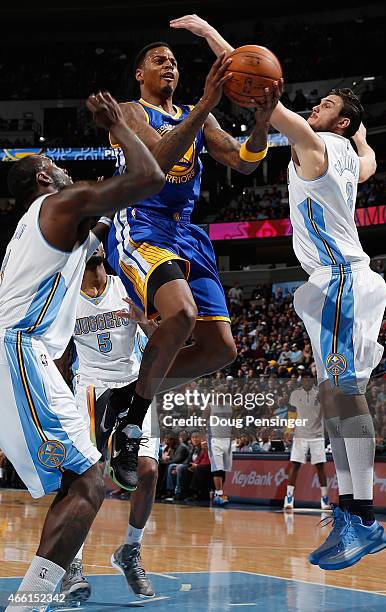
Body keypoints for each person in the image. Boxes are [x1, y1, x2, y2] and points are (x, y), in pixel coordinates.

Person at [173, 14, 386, 571]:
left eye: (325, 108)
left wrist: (212, 39)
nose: (314, 108)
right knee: (335, 403)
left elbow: (259, 90)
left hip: (340, 280)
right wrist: (363, 140)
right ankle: (352, 515)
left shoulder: (316, 146)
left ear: (337, 126)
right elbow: (368, 163)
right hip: (343, 285)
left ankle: (364, 520)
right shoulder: (347, 155)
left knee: (342, 400)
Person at [0, 92, 164, 611]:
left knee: (84, 483)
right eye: (54, 164)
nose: (64, 169)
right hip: (20, 353)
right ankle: (28, 604)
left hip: (27, 358)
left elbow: (142, 190)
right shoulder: (57, 206)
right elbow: (148, 177)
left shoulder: (55, 223)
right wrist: (118, 126)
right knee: (89, 483)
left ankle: (33, 599)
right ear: (43, 179)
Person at [106, 44, 281, 488]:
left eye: (175, 61)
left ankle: (129, 394)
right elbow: (157, 164)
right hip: (141, 223)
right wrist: (205, 106)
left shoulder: (197, 115)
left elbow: (243, 162)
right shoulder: (129, 111)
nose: (170, 65)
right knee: (181, 314)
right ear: (139, 74)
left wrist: (261, 126)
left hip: (187, 231)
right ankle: (130, 429)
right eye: (159, 60)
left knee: (222, 349)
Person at [56, 245, 159, 601]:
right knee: (87, 479)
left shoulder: (127, 286)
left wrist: (147, 322)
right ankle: (73, 565)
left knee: (147, 471)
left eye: (97, 237)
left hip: (133, 384)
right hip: (89, 388)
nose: (95, 243)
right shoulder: (66, 296)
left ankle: (130, 550)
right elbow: (58, 356)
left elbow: (157, 335)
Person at [283, 374, 331, 511]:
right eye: (303, 380)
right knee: (295, 466)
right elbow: (292, 414)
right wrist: (288, 430)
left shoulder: (320, 394)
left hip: (317, 435)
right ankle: (289, 497)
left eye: (308, 380)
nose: (305, 382)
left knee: (320, 467)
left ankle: (324, 498)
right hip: (300, 434)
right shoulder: (295, 394)